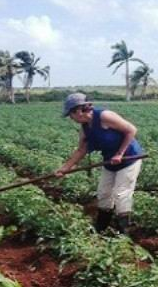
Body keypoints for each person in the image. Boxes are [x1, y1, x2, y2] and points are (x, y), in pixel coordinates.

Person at [57, 93, 145, 234]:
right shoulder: (85, 128)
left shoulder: (105, 116)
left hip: (129, 158)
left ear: (78, 111)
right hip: (109, 160)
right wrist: (65, 168)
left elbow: (131, 130)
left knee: (121, 193)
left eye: (70, 115)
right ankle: (102, 226)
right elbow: (81, 150)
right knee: (103, 193)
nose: (71, 118)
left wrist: (120, 154)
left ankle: (124, 230)